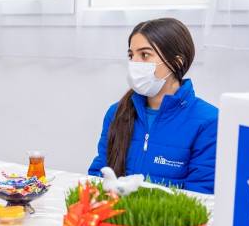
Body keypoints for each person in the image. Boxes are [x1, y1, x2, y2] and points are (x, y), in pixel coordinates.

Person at [88, 18, 218, 194]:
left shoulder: (208, 121)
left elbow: (201, 193)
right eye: (131, 55)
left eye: (144, 55)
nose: (134, 63)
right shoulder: (116, 112)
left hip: (169, 213)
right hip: (116, 211)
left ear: (177, 62)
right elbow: (98, 175)